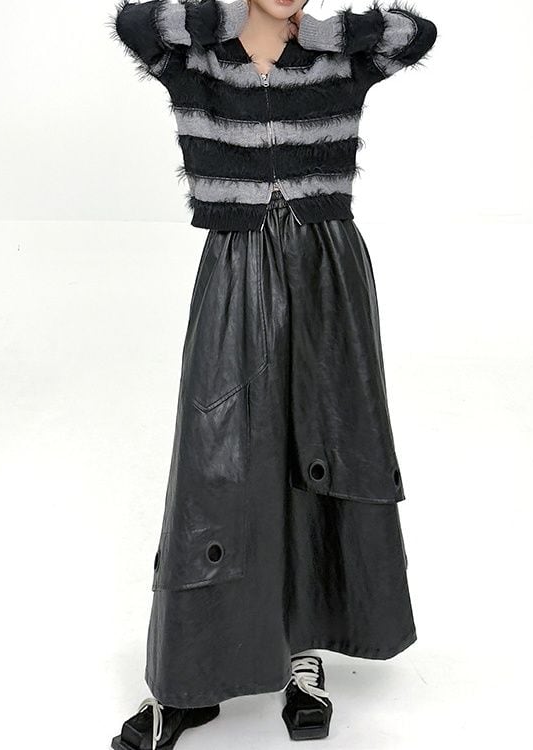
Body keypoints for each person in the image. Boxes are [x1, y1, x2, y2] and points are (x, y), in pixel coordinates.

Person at [107, 0, 437, 746]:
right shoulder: (199, 59)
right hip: (237, 269)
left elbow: (416, 36)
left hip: (327, 273)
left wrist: (323, 35)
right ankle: (186, 681)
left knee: (319, 451)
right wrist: (221, 19)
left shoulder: (334, 59)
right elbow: (134, 26)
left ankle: (302, 659)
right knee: (215, 468)